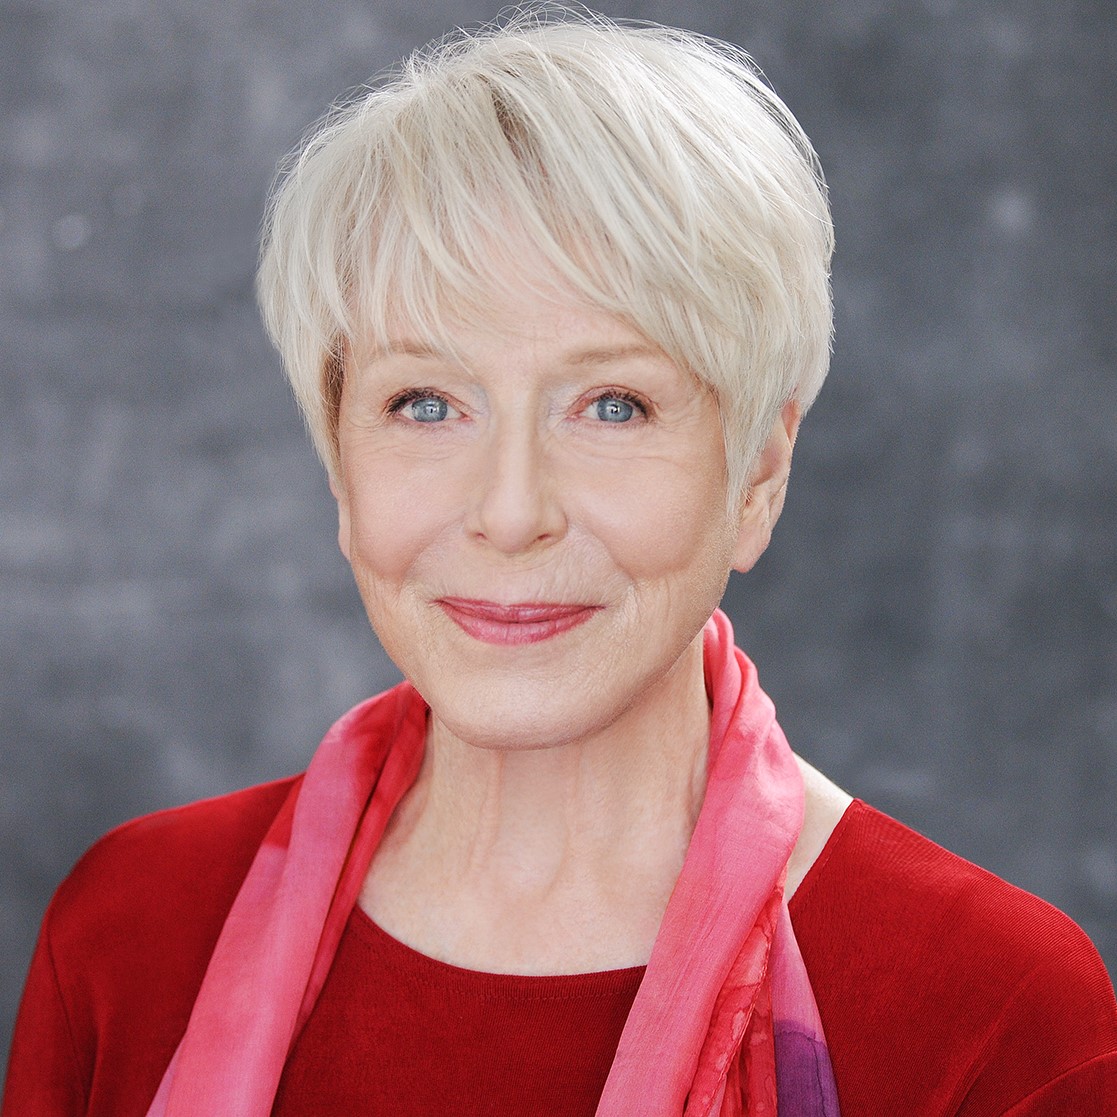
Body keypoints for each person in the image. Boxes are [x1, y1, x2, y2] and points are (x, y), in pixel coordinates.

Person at [3, 10, 1115, 1117]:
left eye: (612, 404)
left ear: (758, 475)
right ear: (339, 463)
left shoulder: (994, 1016)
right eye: (424, 402)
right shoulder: (129, 935)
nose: (509, 511)